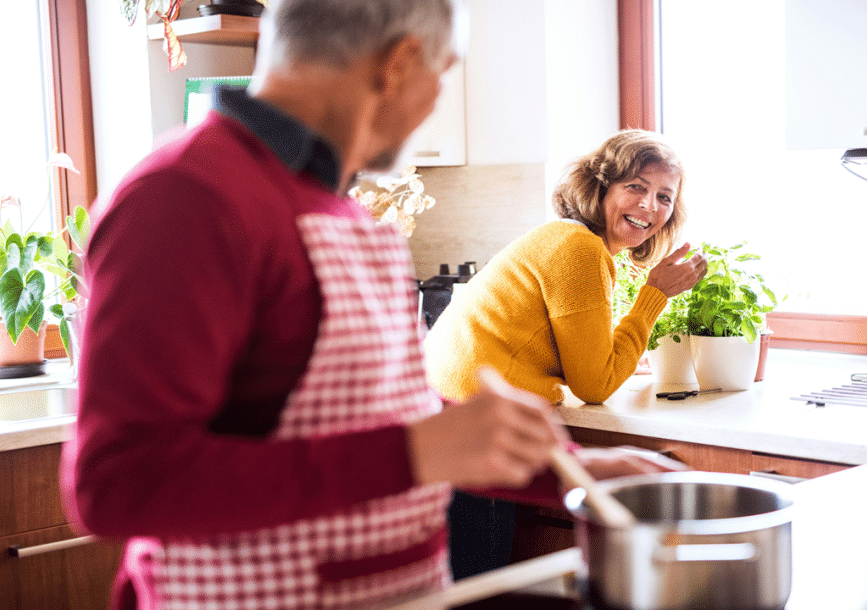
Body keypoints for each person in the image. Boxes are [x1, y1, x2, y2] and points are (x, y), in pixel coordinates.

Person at [60, 2, 676, 609]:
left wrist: (573, 470)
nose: (438, 100)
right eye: (445, 70)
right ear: (400, 63)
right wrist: (417, 452)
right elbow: (115, 483)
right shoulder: (185, 199)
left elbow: (380, 413)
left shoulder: (342, 209)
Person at [424, 129, 708, 578]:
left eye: (664, 197)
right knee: (477, 583)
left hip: (456, 419)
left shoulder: (566, 240)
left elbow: (578, 358)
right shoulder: (579, 249)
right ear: (600, 188)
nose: (649, 206)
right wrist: (654, 295)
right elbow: (594, 384)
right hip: (483, 429)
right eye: (635, 186)